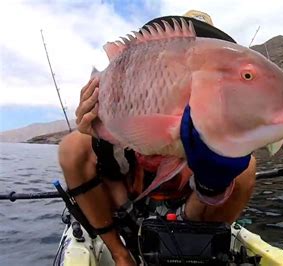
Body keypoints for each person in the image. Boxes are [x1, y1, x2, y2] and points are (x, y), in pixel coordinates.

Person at [58, 12, 256, 266]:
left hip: (193, 213)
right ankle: (120, 252)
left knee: (245, 166)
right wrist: (99, 131)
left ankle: (195, 248)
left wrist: (214, 179)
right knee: (74, 146)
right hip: (130, 203)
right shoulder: (135, 94)